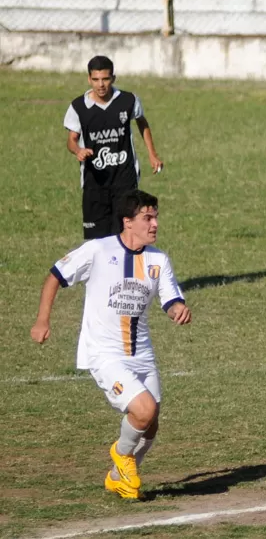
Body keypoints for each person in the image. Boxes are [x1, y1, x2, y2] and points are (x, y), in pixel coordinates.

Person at [30, 190, 191, 500]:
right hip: (104, 354)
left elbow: (170, 299)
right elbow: (54, 276)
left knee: (151, 423)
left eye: (156, 216)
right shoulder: (97, 250)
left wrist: (178, 310)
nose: (155, 223)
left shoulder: (158, 259)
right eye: (148, 218)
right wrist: (42, 320)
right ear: (127, 221)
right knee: (143, 410)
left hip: (141, 354)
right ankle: (121, 454)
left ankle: (119, 476)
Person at [65, 55, 164, 239]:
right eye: (95, 79)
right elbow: (71, 139)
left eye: (105, 79)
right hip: (94, 182)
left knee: (125, 236)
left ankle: (125, 268)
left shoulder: (128, 101)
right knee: (96, 240)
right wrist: (78, 151)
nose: (100, 84)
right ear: (89, 79)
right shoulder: (78, 107)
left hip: (124, 179)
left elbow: (142, 123)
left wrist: (152, 154)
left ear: (113, 78)